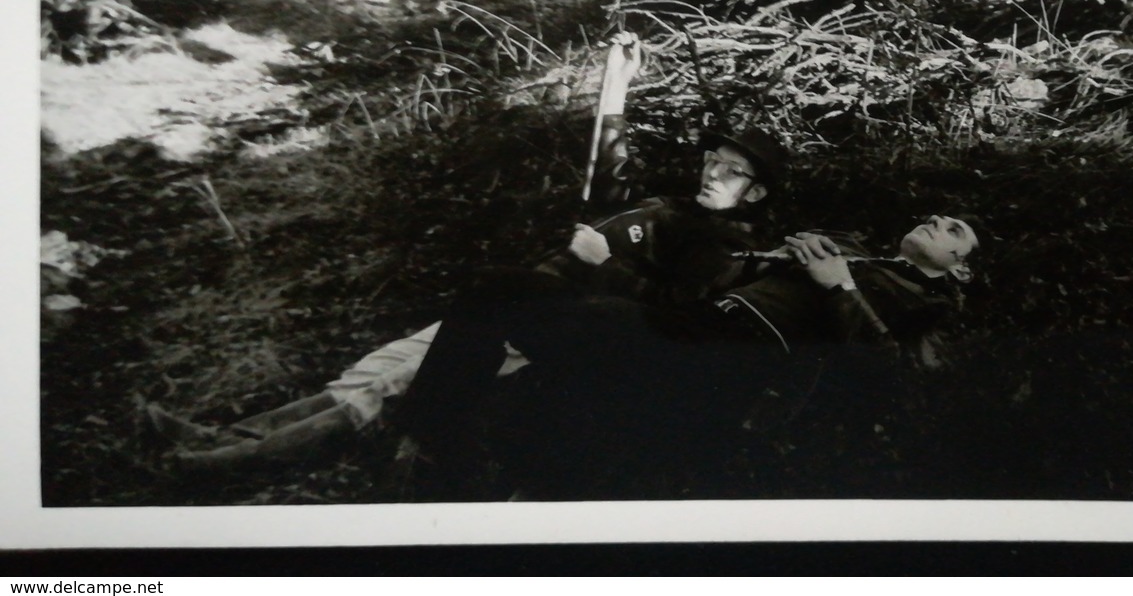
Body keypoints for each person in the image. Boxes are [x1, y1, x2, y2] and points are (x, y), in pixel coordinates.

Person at [151, 32, 787, 470]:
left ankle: (222, 462)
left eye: (732, 173)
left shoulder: (725, 243)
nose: (713, 174)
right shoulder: (672, 209)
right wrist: (614, 87)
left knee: (394, 382)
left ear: (754, 194)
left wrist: (605, 265)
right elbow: (609, 175)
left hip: (552, 326)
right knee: (377, 364)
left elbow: (675, 315)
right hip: (517, 301)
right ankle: (224, 435)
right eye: (714, 160)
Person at [401, 214, 981, 498]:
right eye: (935, 215)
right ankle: (434, 441)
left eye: (952, 228)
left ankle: (444, 454)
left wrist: (839, 286)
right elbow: (720, 280)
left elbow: (886, 371)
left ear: (962, 265)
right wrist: (773, 257)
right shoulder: (853, 250)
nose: (936, 221)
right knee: (499, 288)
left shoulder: (928, 305)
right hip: (687, 327)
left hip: (727, 365)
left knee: (563, 409)